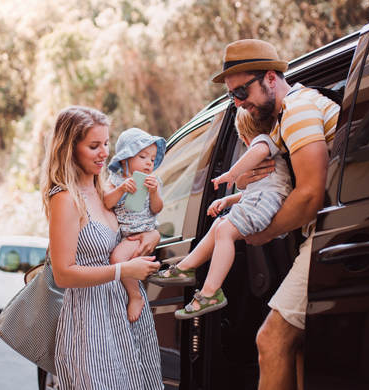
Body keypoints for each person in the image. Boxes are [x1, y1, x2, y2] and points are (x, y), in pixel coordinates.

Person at [212, 39, 340, 390]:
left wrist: (265, 232)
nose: (238, 102)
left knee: (271, 342)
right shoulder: (289, 118)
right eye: (231, 96)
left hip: (329, 238)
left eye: (242, 90)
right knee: (298, 349)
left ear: (271, 77)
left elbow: (311, 194)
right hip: (329, 237)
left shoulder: (297, 110)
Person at [41, 106, 163, 389]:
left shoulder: (107, 190)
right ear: (69, 149)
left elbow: (140, 223)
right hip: (91, 321)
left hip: (126, 314)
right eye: (94, 146)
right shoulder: (66, 199)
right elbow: (63, 274)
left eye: (106, 143)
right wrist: (124, 270)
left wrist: (153, 235)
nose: (104, 153)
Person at [147, 110, 292, 321]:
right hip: (263, 200)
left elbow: (257, 154)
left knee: (224, 230)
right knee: (219, 224)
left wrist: (232, 174)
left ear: (243, 137)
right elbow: (256, 192)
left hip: (267, 201)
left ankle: (210, 291)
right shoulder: (269, 154)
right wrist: (228, 200)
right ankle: (185, 268)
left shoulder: (264, 142)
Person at [103, 128, 166, 323]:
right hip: (125, 235)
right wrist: (122, 188)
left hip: (142, 233)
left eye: (152, 158)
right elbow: (107, 202)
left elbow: (157, 209)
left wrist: (154, 192)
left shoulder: (152, 182)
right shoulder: (114, 181)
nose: (149, 162)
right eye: (143, 156)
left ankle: (135, 295)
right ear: (124, 159)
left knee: (117, 258)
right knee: (119, 259)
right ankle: (133, 292)